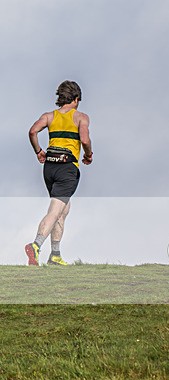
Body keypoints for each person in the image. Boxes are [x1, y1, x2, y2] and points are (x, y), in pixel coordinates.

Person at [25, 80, 93, 266]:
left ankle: (55, 255)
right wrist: (88, 155)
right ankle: (36, 245)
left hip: (49, 167)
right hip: (67, 167)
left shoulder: (49, 116)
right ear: (76, 99)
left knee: (63, 209)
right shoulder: (81, 117)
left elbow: (32, 132)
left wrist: (39, 151)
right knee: (55, 211)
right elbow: (85, 140)